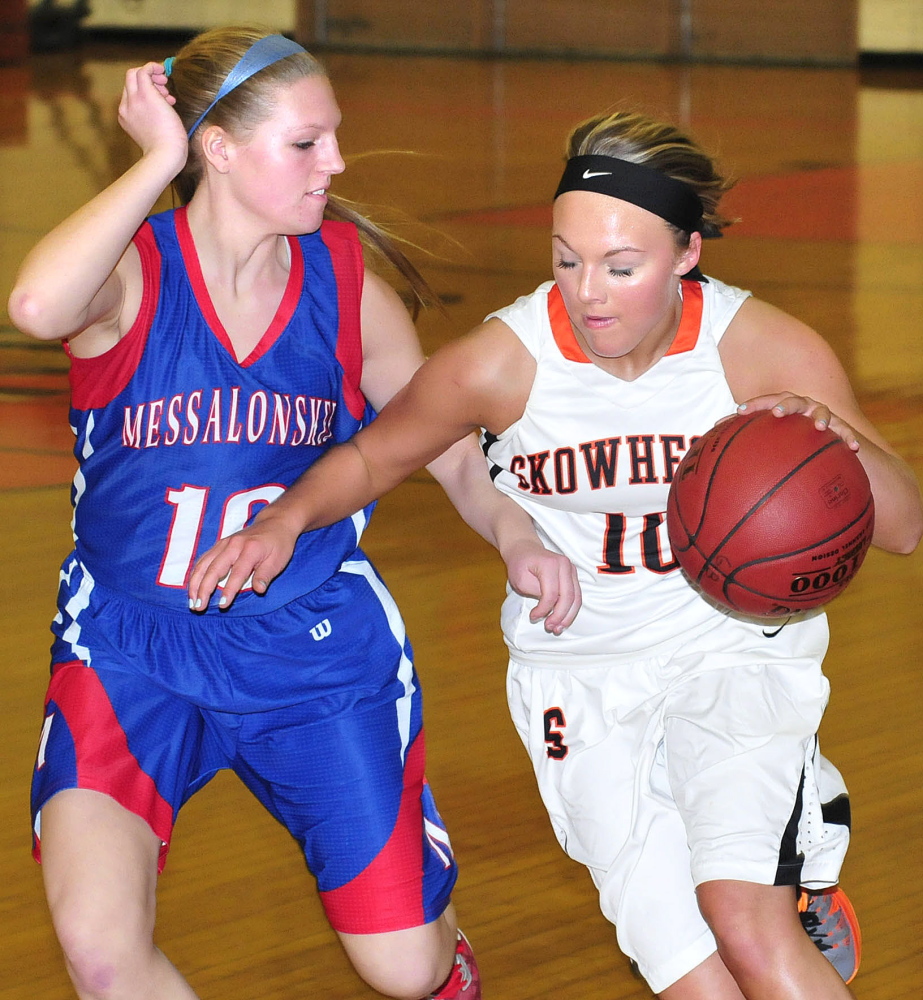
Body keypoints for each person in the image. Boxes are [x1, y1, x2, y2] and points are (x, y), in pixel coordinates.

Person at [187, 109, 923, 999]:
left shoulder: (756, 348)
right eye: (566, 260)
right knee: (689, 972)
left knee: (744, 919)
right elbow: (375, 457)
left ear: (686, 254)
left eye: (620, 266)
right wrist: (283, 521)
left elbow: (903, 525)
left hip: (729, 653)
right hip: (578, 676)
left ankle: (787, 867)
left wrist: (827, 433)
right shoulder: (504, 362)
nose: (588, 293)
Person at [7, 26, 582, 1000]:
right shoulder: (133, 276)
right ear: (218, 150)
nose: (337, 163)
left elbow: (440, 442)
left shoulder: (345, 286)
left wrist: (512, 530)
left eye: (334, 136)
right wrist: (156, 161)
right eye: (307, 142)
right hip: (130, 645)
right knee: (100, 954)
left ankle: (443, 957)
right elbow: (34, 305)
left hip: (310, 647)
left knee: (404, 970)